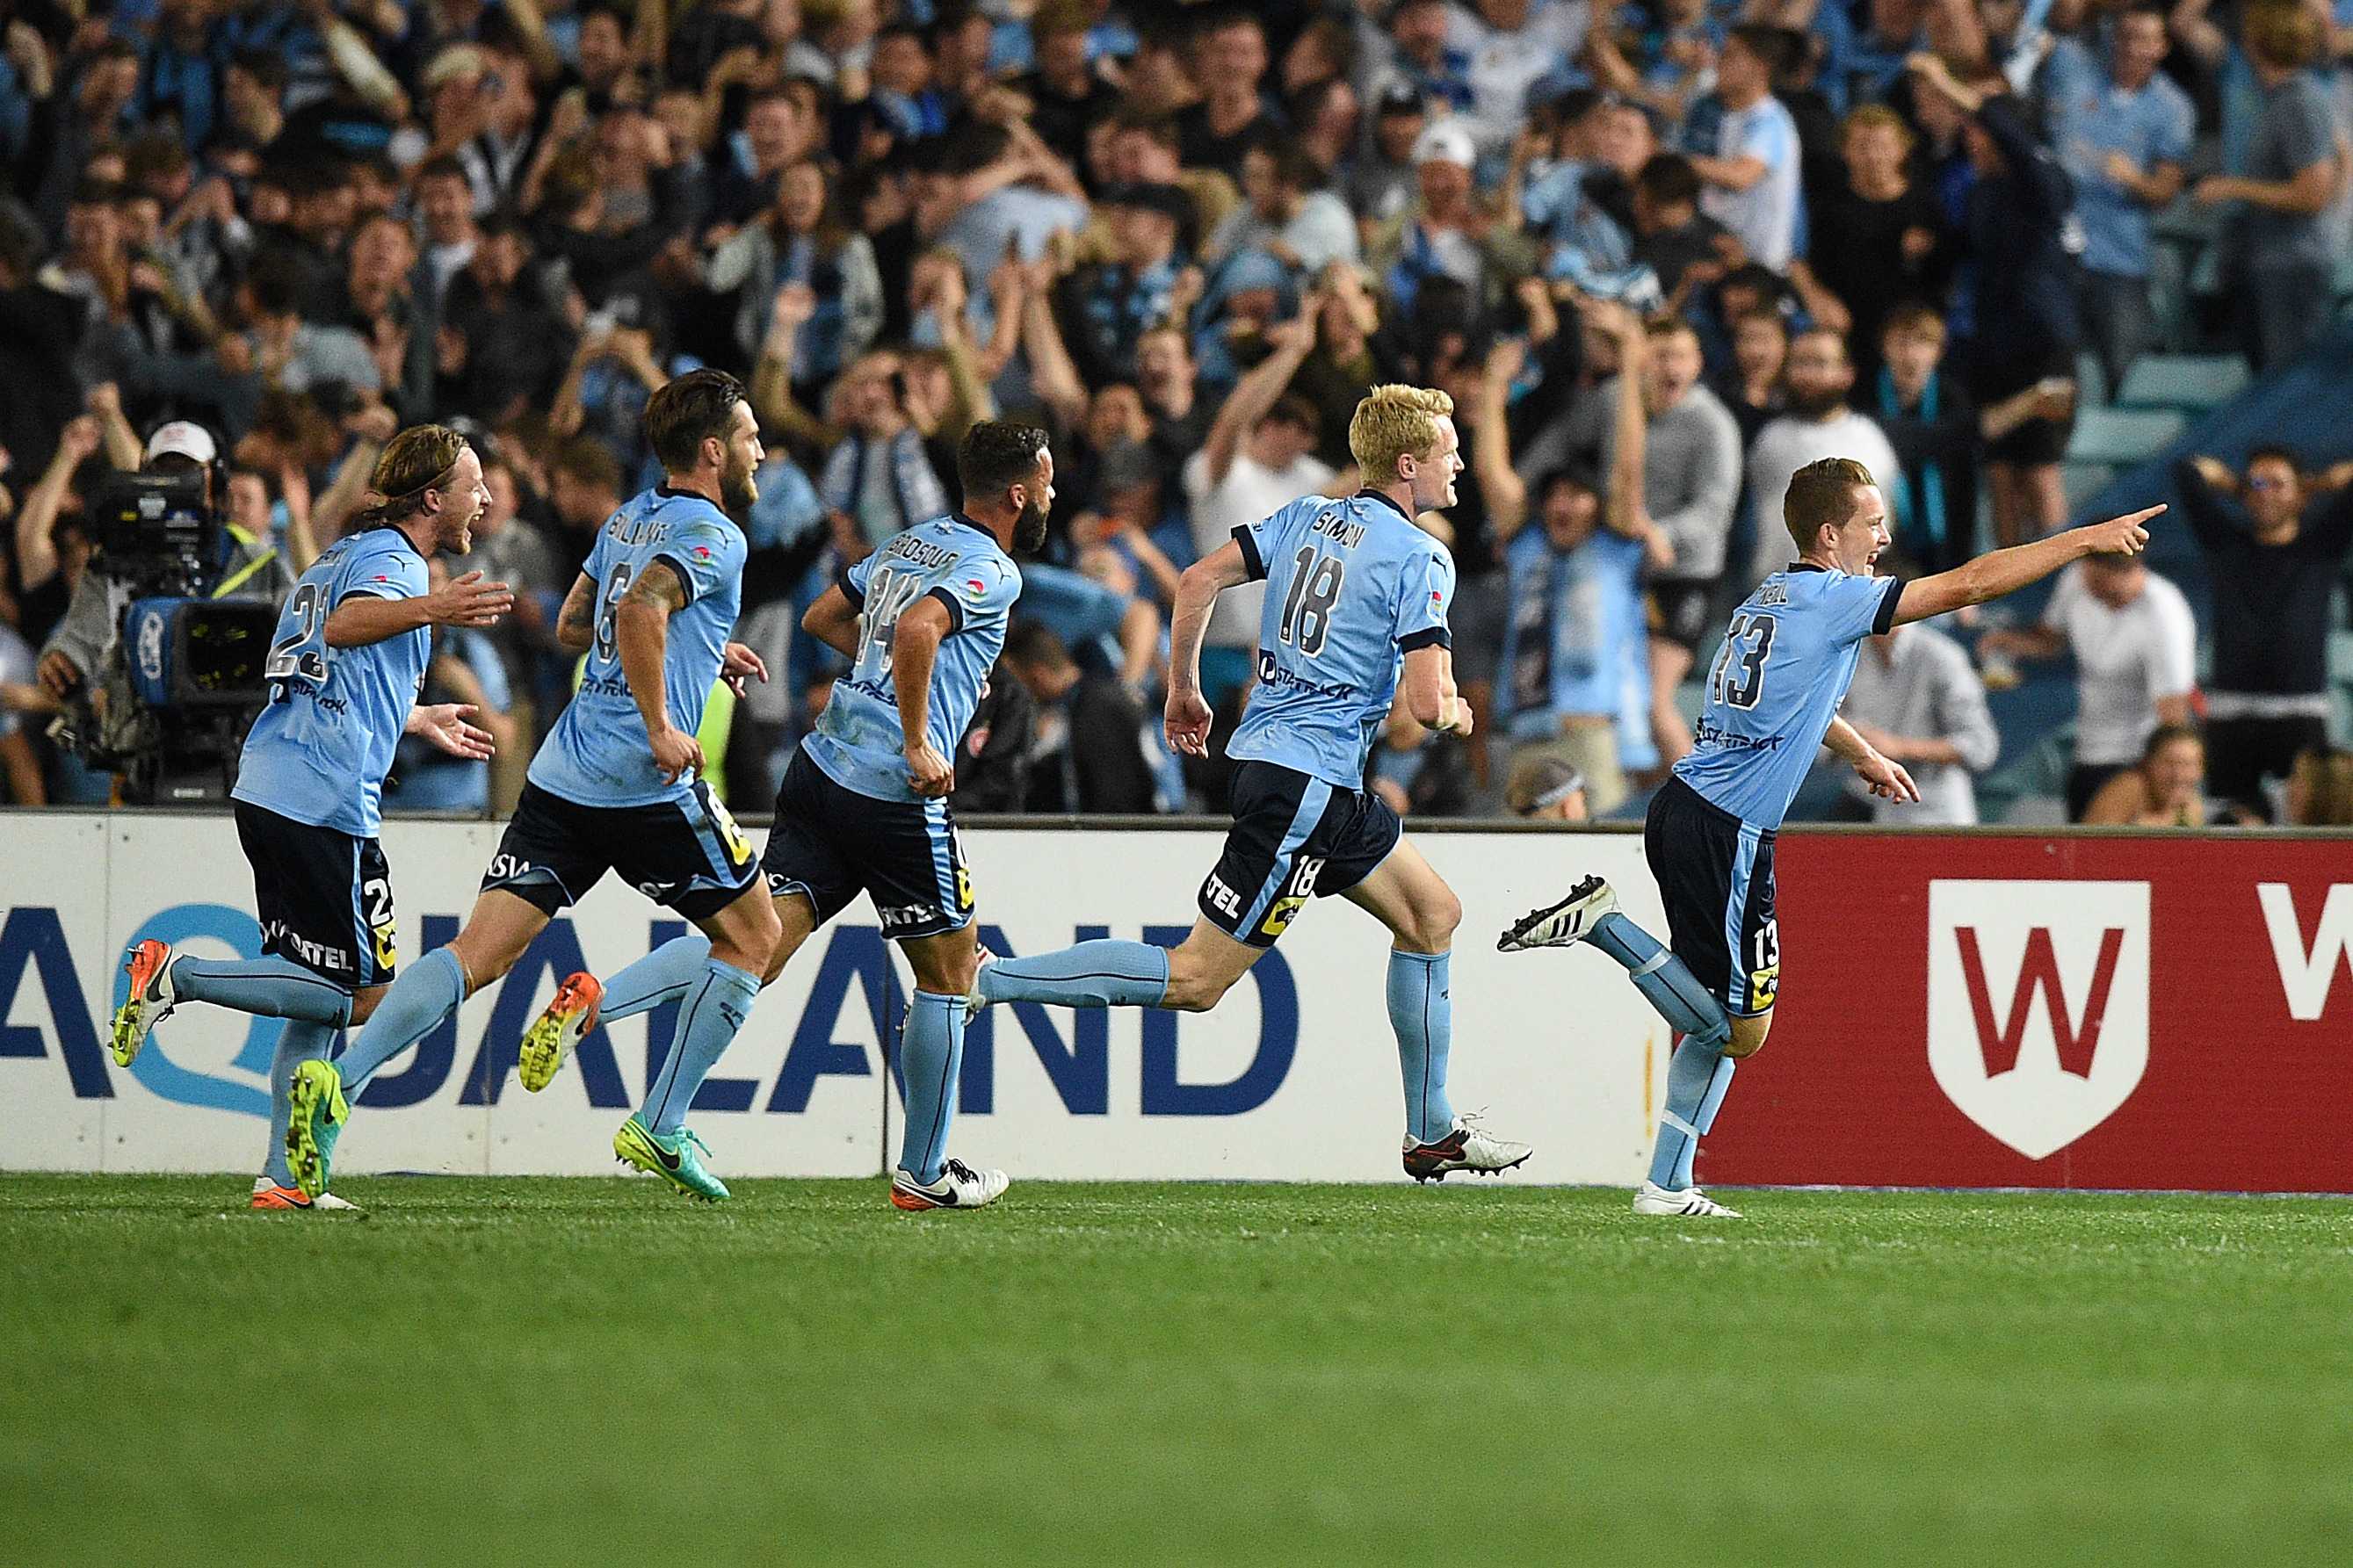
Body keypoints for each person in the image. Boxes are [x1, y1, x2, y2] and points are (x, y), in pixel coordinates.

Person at [1500, 458, 2162, 1218]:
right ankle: (1605, 924)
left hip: (1684, 807)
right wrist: (2081, 540)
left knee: (1717, 1021)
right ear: (1829, 533)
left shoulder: (1767, 600)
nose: (1883, 537)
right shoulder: (1836, 599)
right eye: (1871, 523)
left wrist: (1862, 752)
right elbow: (1972, 584)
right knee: (1738, 1030)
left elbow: (1793, 699)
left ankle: (1667, 1185)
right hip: (1729, 830)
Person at [968, 385, 1533, 1182]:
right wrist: (1457, 717)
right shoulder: (1421, 556)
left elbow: (1197, 579)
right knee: (1196, 980)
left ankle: (1432, 1129)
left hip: (1303, 774)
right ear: (1409, 465)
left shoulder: (1307, 515)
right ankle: (986, 978)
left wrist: (1182, 686)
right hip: (1306, 785)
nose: (1459, 463)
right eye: (1448, 451)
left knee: (1433, 914)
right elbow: (1423, 704)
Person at [520, 422, 1053, 1213]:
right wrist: (913, 734)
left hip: (821, 766)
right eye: (1046, 482)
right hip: (893, 793)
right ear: (1018, 493)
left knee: (756, 942)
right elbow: (916, 629)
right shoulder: (992, 569)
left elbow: (824, 620)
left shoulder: (912, 543)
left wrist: (874, 683)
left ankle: (601, 1002)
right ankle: (925, 1171)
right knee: (951, 973)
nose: (1051, 495)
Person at [281, 371, 781, 1204]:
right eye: (751, 434)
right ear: (712, 450)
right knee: (757, 938)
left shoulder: (628, 517)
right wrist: (662, 718)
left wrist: (702, 644)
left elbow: (575, 622)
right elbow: (639, 613)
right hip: (644, 783)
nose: (760, 450)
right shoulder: (715, 533)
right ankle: (662, 1120)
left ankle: (343, 1082)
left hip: (561, 776)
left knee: (477, 954)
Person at [105, 426, 510, 1211]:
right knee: (361, 994)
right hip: (322, 798)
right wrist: (439, 605)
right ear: (432, 498)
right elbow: (345, 626)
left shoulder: (342, 554)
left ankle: (283, 1179)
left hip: (279, 781)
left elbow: (321, 664)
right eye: (473, 485)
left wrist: (415, 717)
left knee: (311, 984)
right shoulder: (396, 563)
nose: (485, 499)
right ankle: (176, 975)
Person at [2174, 449, 2353, 818]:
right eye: (2257, 483)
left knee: (2314, 819)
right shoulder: (2225, 544)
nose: (2265, 492)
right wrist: (2233, 483)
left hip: (2300, 708)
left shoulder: (2320, 547)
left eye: (2278, 484)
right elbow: (2185, 473)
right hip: (2231, 711)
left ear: (2301, 495)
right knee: (2230, 824)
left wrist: (2317, 483)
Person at [1975, 550, 2195, 820]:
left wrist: (2163, 787)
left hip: (2134, 762)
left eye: (2104, 587)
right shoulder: (2077, 580)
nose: (2094, 594)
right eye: (2091, 584)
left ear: (2131, 571)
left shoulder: (2165, 612)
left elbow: (2173, 712)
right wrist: (2009, 642)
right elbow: (2051, 639)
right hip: (2087, 752)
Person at [1837, 617, 2000, 824]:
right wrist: (1853, 743)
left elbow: (1981, 746)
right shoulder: (1844, 655)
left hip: (1933, 810)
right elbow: (1820, 733)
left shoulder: (1942, 655)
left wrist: (1900, 747)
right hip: (1864, 801)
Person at [2082, 723, 2207, 827]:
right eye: (2169, 763)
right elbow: (2095, 847)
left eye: (2187, 765)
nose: (2178, 775)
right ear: (2148, 763)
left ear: (2200, 770)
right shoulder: (2130, 787)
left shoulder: (2192, 803)